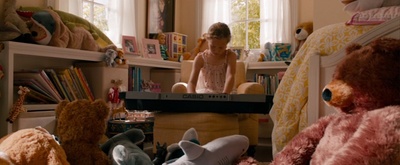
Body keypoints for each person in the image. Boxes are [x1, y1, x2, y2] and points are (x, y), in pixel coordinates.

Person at [187, 22, 237, 94]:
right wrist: (192, 96)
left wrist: (225, 95)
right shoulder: (200, 58)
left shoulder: (230, 56)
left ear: (226, 44)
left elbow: (230, 75)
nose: (216, 50)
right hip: (207, 94)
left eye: (221, 47)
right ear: (207, 40)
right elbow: (191, 82)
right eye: (213, 46)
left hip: (226, 92)